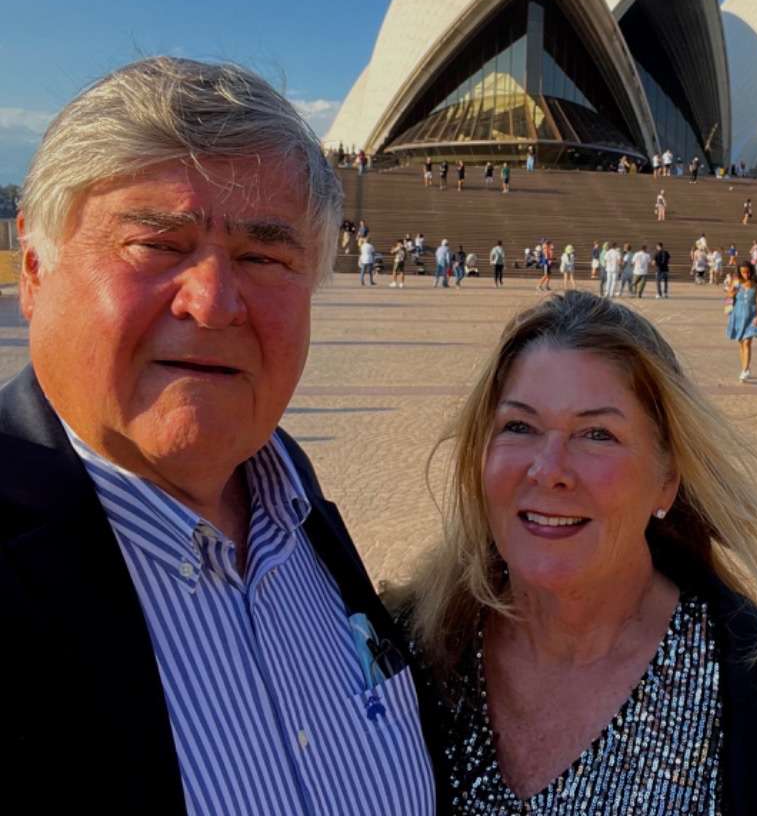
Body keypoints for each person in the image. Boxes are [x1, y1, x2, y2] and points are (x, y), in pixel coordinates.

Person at [1, 58, 437, 812]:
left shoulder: (291, 491)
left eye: (263, 257)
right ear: (36, 270)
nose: (212, 302)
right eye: (157, 244)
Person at [399, 292, 757, 814]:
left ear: (667, 479)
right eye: (520, 426)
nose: (548, 470)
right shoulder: (402, 654)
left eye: (597, 434)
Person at [727, 261, 757, 382]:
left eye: (748, 272)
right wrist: (732, 291)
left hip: (751, 316)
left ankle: (745, 370)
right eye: (743, 272)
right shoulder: (736, 281)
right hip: (737, 314)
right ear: (740, 272)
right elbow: (729, 296)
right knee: (741, 343)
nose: (746, 274)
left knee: (747, 342)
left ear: (751, 271)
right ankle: (744, 367)